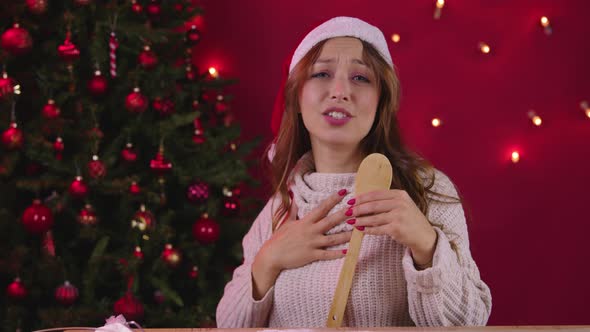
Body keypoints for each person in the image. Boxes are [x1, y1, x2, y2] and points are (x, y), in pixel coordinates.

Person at [216, 16, 491, 327]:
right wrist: (267, 263)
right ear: (296, 98)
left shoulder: (425, 190)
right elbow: (227, 327)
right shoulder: (281, 208)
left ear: (380, 102)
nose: (340, 91)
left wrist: (426, 245)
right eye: (321, 73)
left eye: (361, 78)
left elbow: (470, 323)